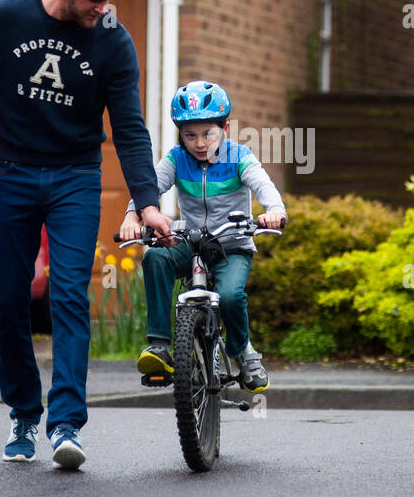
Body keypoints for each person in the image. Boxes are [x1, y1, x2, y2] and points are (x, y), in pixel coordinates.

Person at [0, 0, 172, 469]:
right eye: (93, 0)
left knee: (67, 297)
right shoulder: (7, 16)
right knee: (10, 301)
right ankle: (22, 415)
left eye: (109, 1)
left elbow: (128, 129)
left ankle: (65, 424)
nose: (101, 11)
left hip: (76, 178)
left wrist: (147, 201)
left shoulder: (113, 42)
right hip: (11, 175)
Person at [118, 80, 287, 393]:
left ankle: (243, 352)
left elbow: (264, 186)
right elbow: (148, 187)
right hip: (191, 243)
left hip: (231, 245)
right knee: (155, 256)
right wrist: (132, 215)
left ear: (224, 126)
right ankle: (159, 346)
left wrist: (274, 211)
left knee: (231, 296)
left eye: (207, 133)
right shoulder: (176, 159)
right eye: (189, 134)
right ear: (180, 134)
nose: (198, 143)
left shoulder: (239, 156)